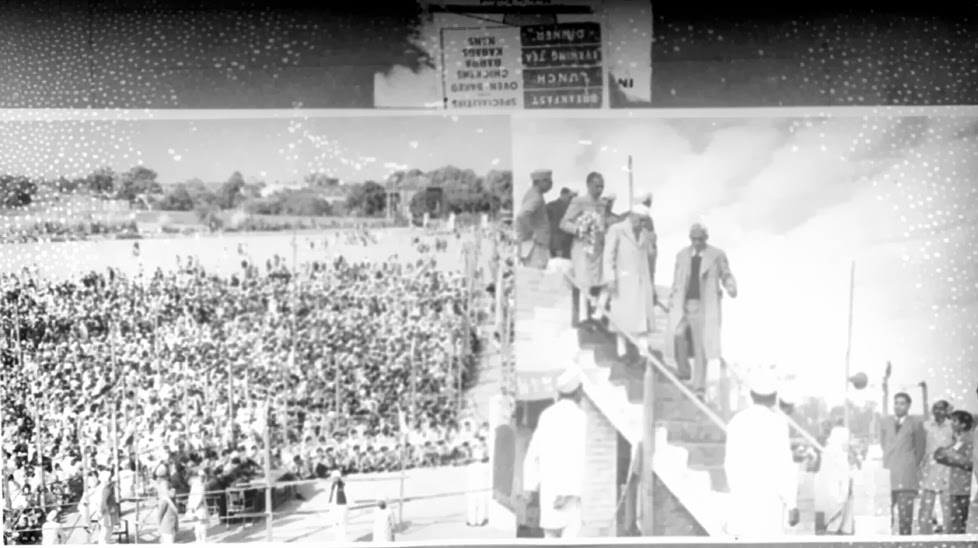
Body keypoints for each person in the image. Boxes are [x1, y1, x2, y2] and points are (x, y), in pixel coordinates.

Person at [724, 368, 799, 538]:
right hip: (768, 506)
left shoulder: (736, 422)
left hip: (742, 503)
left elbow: (730, 466)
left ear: (751, 395)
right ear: (774, 398)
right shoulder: (777, 424)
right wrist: (791, 503)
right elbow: (785, 467)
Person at [665, 223, 737, 401]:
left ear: (706, 238)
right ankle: (683, 371)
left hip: (704, 306)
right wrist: (672, 298)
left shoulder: (716, 255)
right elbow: (676, 280)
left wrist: (730, 286)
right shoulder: (682, 255)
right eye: (693, 239)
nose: (696, 242)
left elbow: (726, 274)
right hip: (683, 304)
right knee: (678, 334)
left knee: (700, 347)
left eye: (700, 239)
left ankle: (699, 388)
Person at [522, 368, 587, 538]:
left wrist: (530, 487)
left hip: (549, 491)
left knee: (550, 539)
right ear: (578, 391)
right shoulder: (580, 417)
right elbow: (576, 457)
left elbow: (533, 454)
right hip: (570, 495)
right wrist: (565, 492)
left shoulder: (546, 415)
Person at [601, 204, 657, 359]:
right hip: (622, 281)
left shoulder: (644, 234)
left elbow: (649, 256)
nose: (644, 224)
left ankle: (643, 353)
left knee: (641, 321)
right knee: (621, 318)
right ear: (632, 216)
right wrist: (610, 277)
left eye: (646, 221)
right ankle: (622, 351)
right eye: (641, 220)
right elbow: (608, 255)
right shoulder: (617, 230)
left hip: (640, 282)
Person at [559, 172, 607, 329]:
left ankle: (597, 315)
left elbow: (602, 225)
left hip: (597, 249)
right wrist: (579, 230)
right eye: (596, 186)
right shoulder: (578, 202)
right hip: (581, 247)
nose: (599, 190)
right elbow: (564, 223)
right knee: (584, 282)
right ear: (588, 185)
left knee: (602, 281)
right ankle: (583, 317)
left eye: (602, 186)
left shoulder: (602, 204)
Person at [880, 392, 926, 536]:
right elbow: (884, 444)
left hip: (906, 475)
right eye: (896, 403)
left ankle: (905, 542)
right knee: (885, 515)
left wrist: (910, 465)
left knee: (905, 516)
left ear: (908, 406)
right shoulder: (885, 422)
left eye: (902, 403)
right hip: (887, 474)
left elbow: (920, 449)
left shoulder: (916, 423)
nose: (898, 406)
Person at [936, 409, 973, 534]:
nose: (951, 423)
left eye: (955, 421)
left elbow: (969, 463)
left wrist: (951, 455)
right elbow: (939, 455)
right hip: (954, 488)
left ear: (963, 424)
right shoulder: (956, 440)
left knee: (961, 525)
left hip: (965, 489)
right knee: (954, 525)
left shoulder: (970, 441)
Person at [919, 400, 953, 534]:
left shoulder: (952, 426)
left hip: (947, 470)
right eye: (935, 408)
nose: (938, 411)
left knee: (947, 507)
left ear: (946, 411)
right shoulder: (926, 426)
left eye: (941, 408)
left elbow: (958, 443)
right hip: (929, 470)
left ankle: (949, 537)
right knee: (926, 507)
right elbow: (921, 446)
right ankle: (924, 537)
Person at [516, 169, 553, 269]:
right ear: (540, 182)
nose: (551, 184)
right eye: (548, 181)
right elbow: (521, 216)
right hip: (536, 247)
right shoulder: (536, 197)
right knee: (536, 279)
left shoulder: (532, 193)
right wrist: (531, 234)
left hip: (534, 246)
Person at [546, 188, 576, 259]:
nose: (570, 199)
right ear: (563, 195)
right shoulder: (551, 206)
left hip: (559, 242)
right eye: (569, 197)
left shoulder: (550, 205)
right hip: (560, 242)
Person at [465, 445, 490, 527]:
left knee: (471, 504)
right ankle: (480, 521)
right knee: (481, 504)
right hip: (482, 487)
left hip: (471, 487)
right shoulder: (485, 466)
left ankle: (472, 522)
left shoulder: (469, 466)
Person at [185, 468, 209, 543]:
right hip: (197, 507)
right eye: (201, 476)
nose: (202, 478)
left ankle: (202, 541)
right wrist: (192, 507)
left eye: (203, 476)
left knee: (202, 526)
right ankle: (200, 541)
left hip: (200, 507)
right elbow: (195, 497)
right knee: (199, 526)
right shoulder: (196, 485)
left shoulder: (200, 484)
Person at [157, 477, 180, 544]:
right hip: (168, 526)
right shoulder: (167, 499)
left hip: (169, 526)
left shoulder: (169, 499)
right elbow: (160, 515)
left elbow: (160, 514)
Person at [328, 470, 348, 542]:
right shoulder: (333, 485)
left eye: (336, 478)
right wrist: (330, 503)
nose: (334, 479)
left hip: (342, 505)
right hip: (334, 506)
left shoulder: (343, 485)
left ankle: (344, 540)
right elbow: (331, 495)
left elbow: (348, 496)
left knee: (342, 523)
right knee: (335, 523)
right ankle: (338, 539)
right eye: (333, 478)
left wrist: (346, 506)